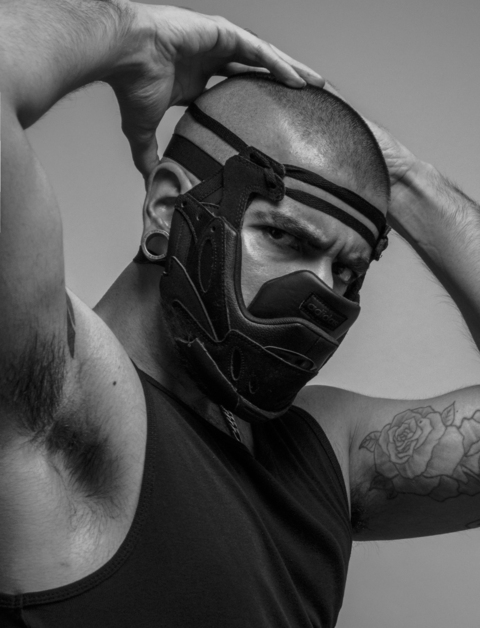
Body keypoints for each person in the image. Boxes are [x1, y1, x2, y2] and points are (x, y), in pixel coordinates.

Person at [1, 1, 480, 627]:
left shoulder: (325, 454)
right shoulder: (65, 398)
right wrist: (131, 32)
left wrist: (403, 179)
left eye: (348, 271)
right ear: (168, 209)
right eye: (285, 237)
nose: (322, 292)